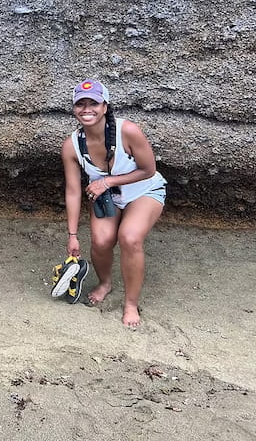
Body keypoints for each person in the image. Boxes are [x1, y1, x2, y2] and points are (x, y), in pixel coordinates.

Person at [61, 79, 167, 327]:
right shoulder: (71, 146)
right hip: (109, 198)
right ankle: (105, 283)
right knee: (101, 241)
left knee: (130, 238)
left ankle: (130, 303)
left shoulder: (127, 131)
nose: (87, 109)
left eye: (94, 103)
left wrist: (108, 181)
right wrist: (72, 235)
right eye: (81, 104)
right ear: (74, 109)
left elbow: (149, 170)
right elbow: (73, 191)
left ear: (105, 107)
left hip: (144, 190)